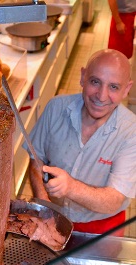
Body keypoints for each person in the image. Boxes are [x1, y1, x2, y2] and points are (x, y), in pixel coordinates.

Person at [23, 49, 136, 235]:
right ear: (83, 77)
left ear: (126, 89)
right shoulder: (55, 108)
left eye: (114, 87)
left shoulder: (131, 132)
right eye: (95, 82)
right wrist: (45, 206)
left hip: (102, 228)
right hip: (52, 217)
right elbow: (37, 159)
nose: (101, 96)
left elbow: (115, 199)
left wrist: (71, 187)